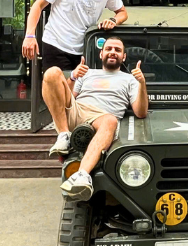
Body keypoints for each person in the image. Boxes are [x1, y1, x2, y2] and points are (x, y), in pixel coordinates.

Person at [21, 0, 127, 153]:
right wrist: (30, 35)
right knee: (52, 84)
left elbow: (123, 11)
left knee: (80, 93)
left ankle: (83, 134)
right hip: (56, 42)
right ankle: (63, 134)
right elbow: (38, 5)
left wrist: (113, 20)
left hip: (85, 48)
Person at [44, 36, 148, 200]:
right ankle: (63, 135)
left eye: (117, 50)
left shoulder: (130, 79)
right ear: (101, 54)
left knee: (111, 121)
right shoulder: (86, 73)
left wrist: (142, 83)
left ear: (124, 57)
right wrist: (72, 77)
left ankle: (82, 175)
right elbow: (65, 99)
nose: (112, 52)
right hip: (78, 110)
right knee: (51, 73)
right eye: (109, 49)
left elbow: (140, 112)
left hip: (103, 117)